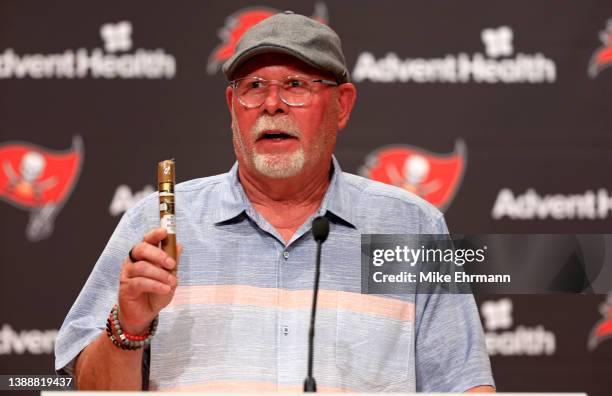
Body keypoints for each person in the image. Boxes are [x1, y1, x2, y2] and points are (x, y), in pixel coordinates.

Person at [55, 11, 495, 393]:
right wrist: (127, 327)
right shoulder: (158, 224)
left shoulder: (411, 226)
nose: (271, 104)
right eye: (253, 86)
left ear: (342, 106)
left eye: (296, 85)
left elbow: (462, 384)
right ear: (232, 104)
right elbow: (87, 391)